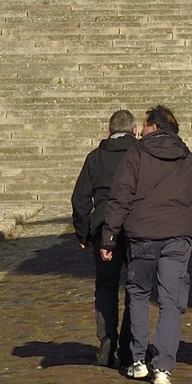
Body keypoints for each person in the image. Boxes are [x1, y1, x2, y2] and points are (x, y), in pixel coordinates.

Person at [100, 104, 192, 384]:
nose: (140, 131)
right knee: (171, 302)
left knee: (139, 295)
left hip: (142, 235)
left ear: (154, 127)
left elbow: (120, 198)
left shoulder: (136, 155)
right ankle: (163, 367)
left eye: (145, 126)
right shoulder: (190, 161)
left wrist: (109, 236)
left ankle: (138, 360)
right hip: (177, 238)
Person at [71, 108, 139, 368]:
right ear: (134, 131)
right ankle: (129, 341)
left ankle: (107, 338)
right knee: (136, 287)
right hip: (135, 226)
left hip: (103, 226)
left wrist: (83, 231)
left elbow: (79, 199)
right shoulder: (140, 154)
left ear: (108, 130)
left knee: (106, 286)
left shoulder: (96, 157)